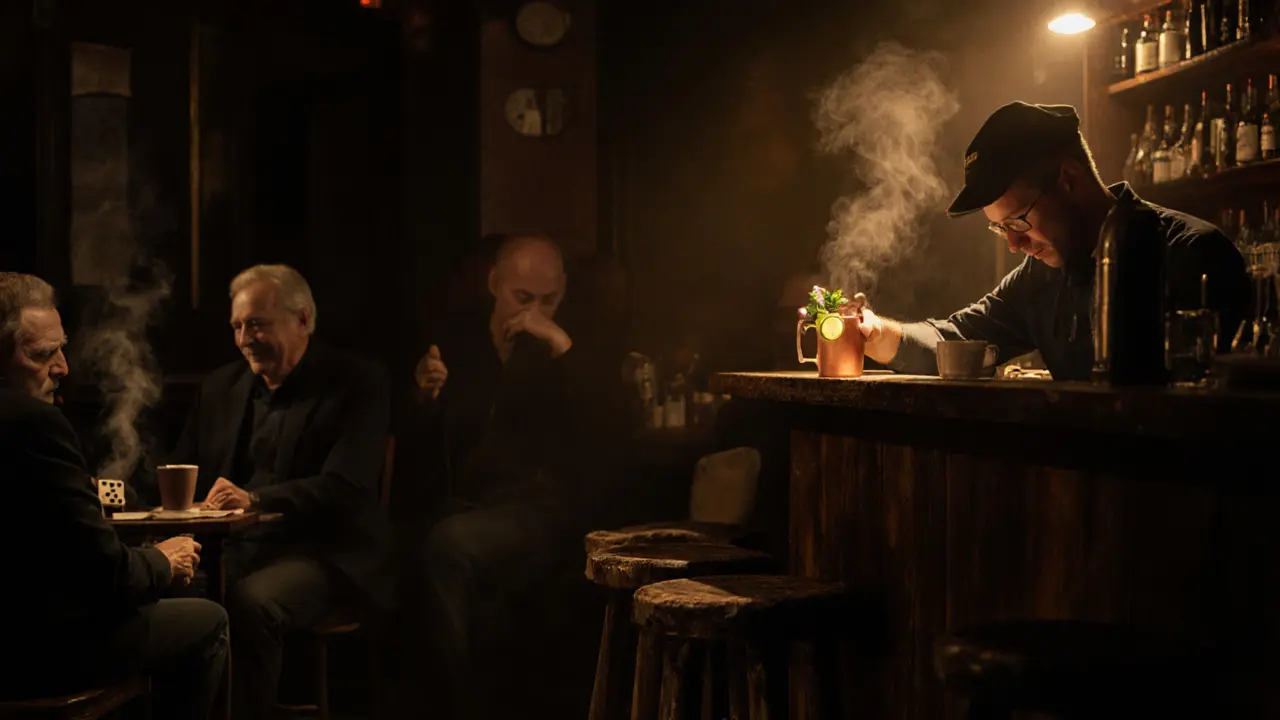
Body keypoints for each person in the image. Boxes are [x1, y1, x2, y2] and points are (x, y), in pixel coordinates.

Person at [401, 234, 631, 719]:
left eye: (549, 300)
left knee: (448, 546)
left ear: (564, 291)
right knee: (420, 540)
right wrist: (424, 398)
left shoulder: (575, 348)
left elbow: (609, 432)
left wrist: (561, 345)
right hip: (464, 499)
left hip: (537, 508)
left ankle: (455, 707)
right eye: (522, 299)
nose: (534, 312)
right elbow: (427, 448)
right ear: (494, 284)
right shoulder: (459, 346)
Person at [853, 102, 1250, 381]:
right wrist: (874, 332)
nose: (1013, 245)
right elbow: (955, 339)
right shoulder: (1037, 279)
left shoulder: (1192, 254)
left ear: (1069, 180)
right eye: (999, 228)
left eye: (1018, 221)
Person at [167, 264, 391, 719]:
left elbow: (346, 486)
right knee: (168, 593)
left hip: (325, 553)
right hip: (233, 550)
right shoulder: (220, 387)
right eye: (237, 326)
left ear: (304, 319)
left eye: (257, 324)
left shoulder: (357, 382)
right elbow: (185, 468)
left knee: (250, 601)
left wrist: (257, 499)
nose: (245, 338)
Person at [0, 272, 227, 719]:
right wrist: (163, 559)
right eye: (43, 354)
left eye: (62, 348)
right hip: (33, 652)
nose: (63, 367)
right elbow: (107, 574)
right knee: (207, 619)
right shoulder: (31, 423)